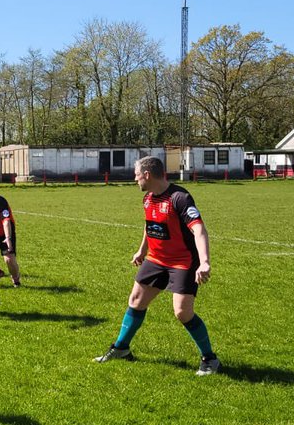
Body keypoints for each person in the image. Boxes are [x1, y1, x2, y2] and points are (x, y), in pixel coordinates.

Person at [93, 155, 220, 376]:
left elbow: (199, 229)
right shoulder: (148, 198)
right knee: (135, 301)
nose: (135, 180)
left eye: (137, 175)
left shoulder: (179, 198)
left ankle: (210, 359)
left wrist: (205, 262)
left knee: (182, 312)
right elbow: (149, 224)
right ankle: (121, 348)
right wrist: (142, 251)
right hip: (156, 259)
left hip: (183, 262)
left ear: (148, 175)